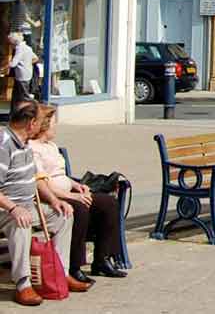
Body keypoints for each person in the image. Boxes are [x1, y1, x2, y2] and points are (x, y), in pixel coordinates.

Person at [0, 101, 90, 305]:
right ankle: (23, 284)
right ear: (31, 123)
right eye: (40, 122)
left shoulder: (24, 144)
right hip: (5, 207)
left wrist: (54, 200)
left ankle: (59, 273)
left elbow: (35, 179)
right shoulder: (4, 143)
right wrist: (14, 208)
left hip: (26, 204)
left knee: (63, 215)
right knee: (21, 221)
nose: (42, 127)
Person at [31, 105, 125, 280]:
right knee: (79, 209)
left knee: (108, 203)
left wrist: (77, 185)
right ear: (44, 125)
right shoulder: (32, 148)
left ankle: (102, 259)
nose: (56, 126)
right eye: (53, 123)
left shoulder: (51, 145)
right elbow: (41, 183)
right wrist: (72, 196)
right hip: (51, 197)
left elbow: (61, 174)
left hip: (68, 191)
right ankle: (74, 266)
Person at [7, 32, 37, 112]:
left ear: (14, 42)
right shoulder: (28, 48)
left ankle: (36, 110)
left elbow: (13, 64)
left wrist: (6, 65)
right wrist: (27, 64)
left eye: (11, 43)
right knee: (16, 97)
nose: (10, 46)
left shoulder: (19, 49)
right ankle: (13, 116)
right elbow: (35, 58)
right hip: (26, 74)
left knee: (24, 97)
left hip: (21, 76)